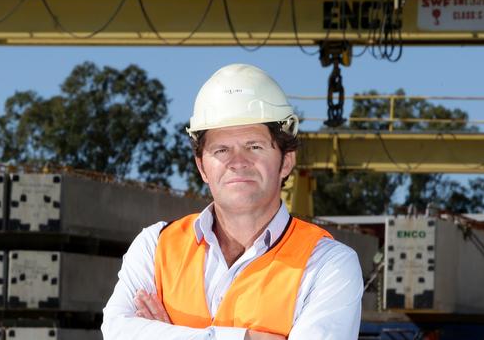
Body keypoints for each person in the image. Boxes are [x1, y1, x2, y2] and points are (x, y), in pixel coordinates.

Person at [101, 64, 363, 339]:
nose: (238, 162)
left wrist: (167, 333)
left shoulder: (328, 264)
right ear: (202, 167)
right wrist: (244, 338)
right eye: (221, 149)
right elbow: (116, 331)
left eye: (254, 146)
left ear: (286, 161)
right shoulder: (155, 246)